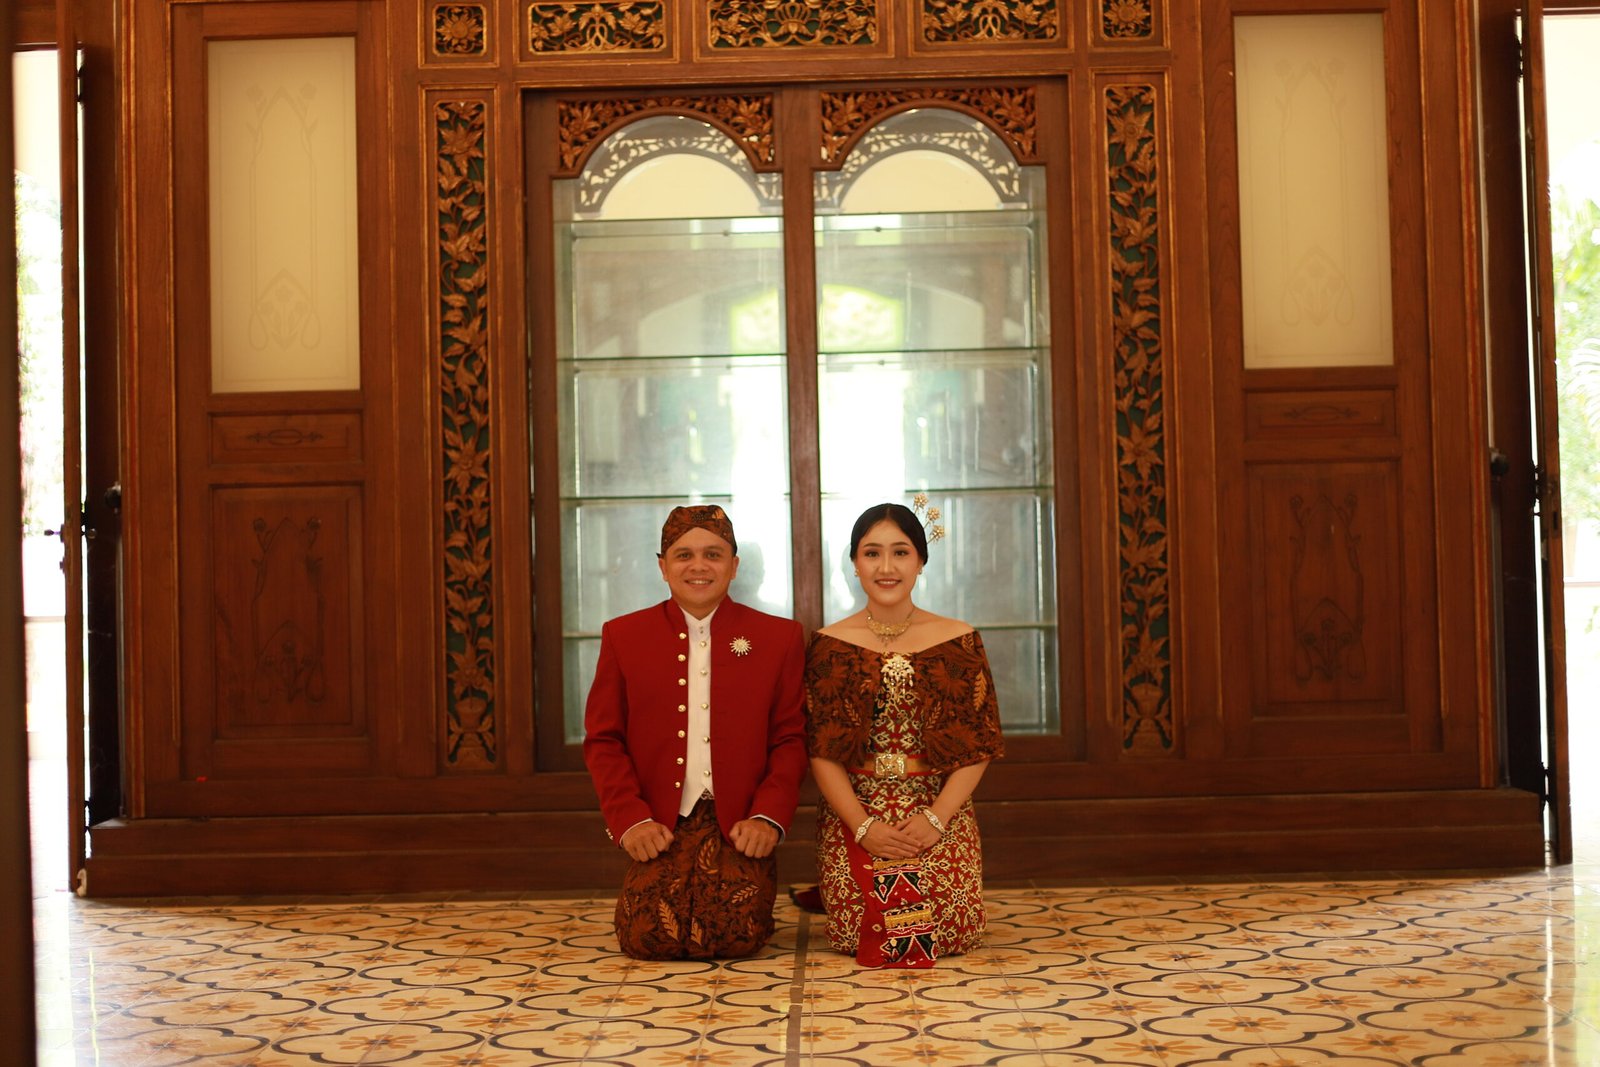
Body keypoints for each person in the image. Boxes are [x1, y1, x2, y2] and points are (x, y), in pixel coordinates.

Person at [583, 504, 808, 960]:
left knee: (736, 935)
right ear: (663, 567)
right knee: (646, 938)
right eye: (684, 555)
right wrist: (630, 820)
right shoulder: (624, 635)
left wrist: (768, 817)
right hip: (660, 821)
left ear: (734, 566)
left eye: (713, 554)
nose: (699, 566)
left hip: (739, 822)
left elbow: (790, 739)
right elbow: (604, 740)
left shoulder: (778, 637)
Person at [803, 500, 1004, 968]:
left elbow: (979, 745)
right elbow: (821, 751)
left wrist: (936, 818)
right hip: (857, 812)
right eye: (872, 553)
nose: (886, 567)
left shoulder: (958, 639)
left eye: (901, 552)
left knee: (954, 926)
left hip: (936, 809)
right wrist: (863, 826)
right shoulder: (829, 644)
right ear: (855, 563)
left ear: (920, 561)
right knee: (853, 928)